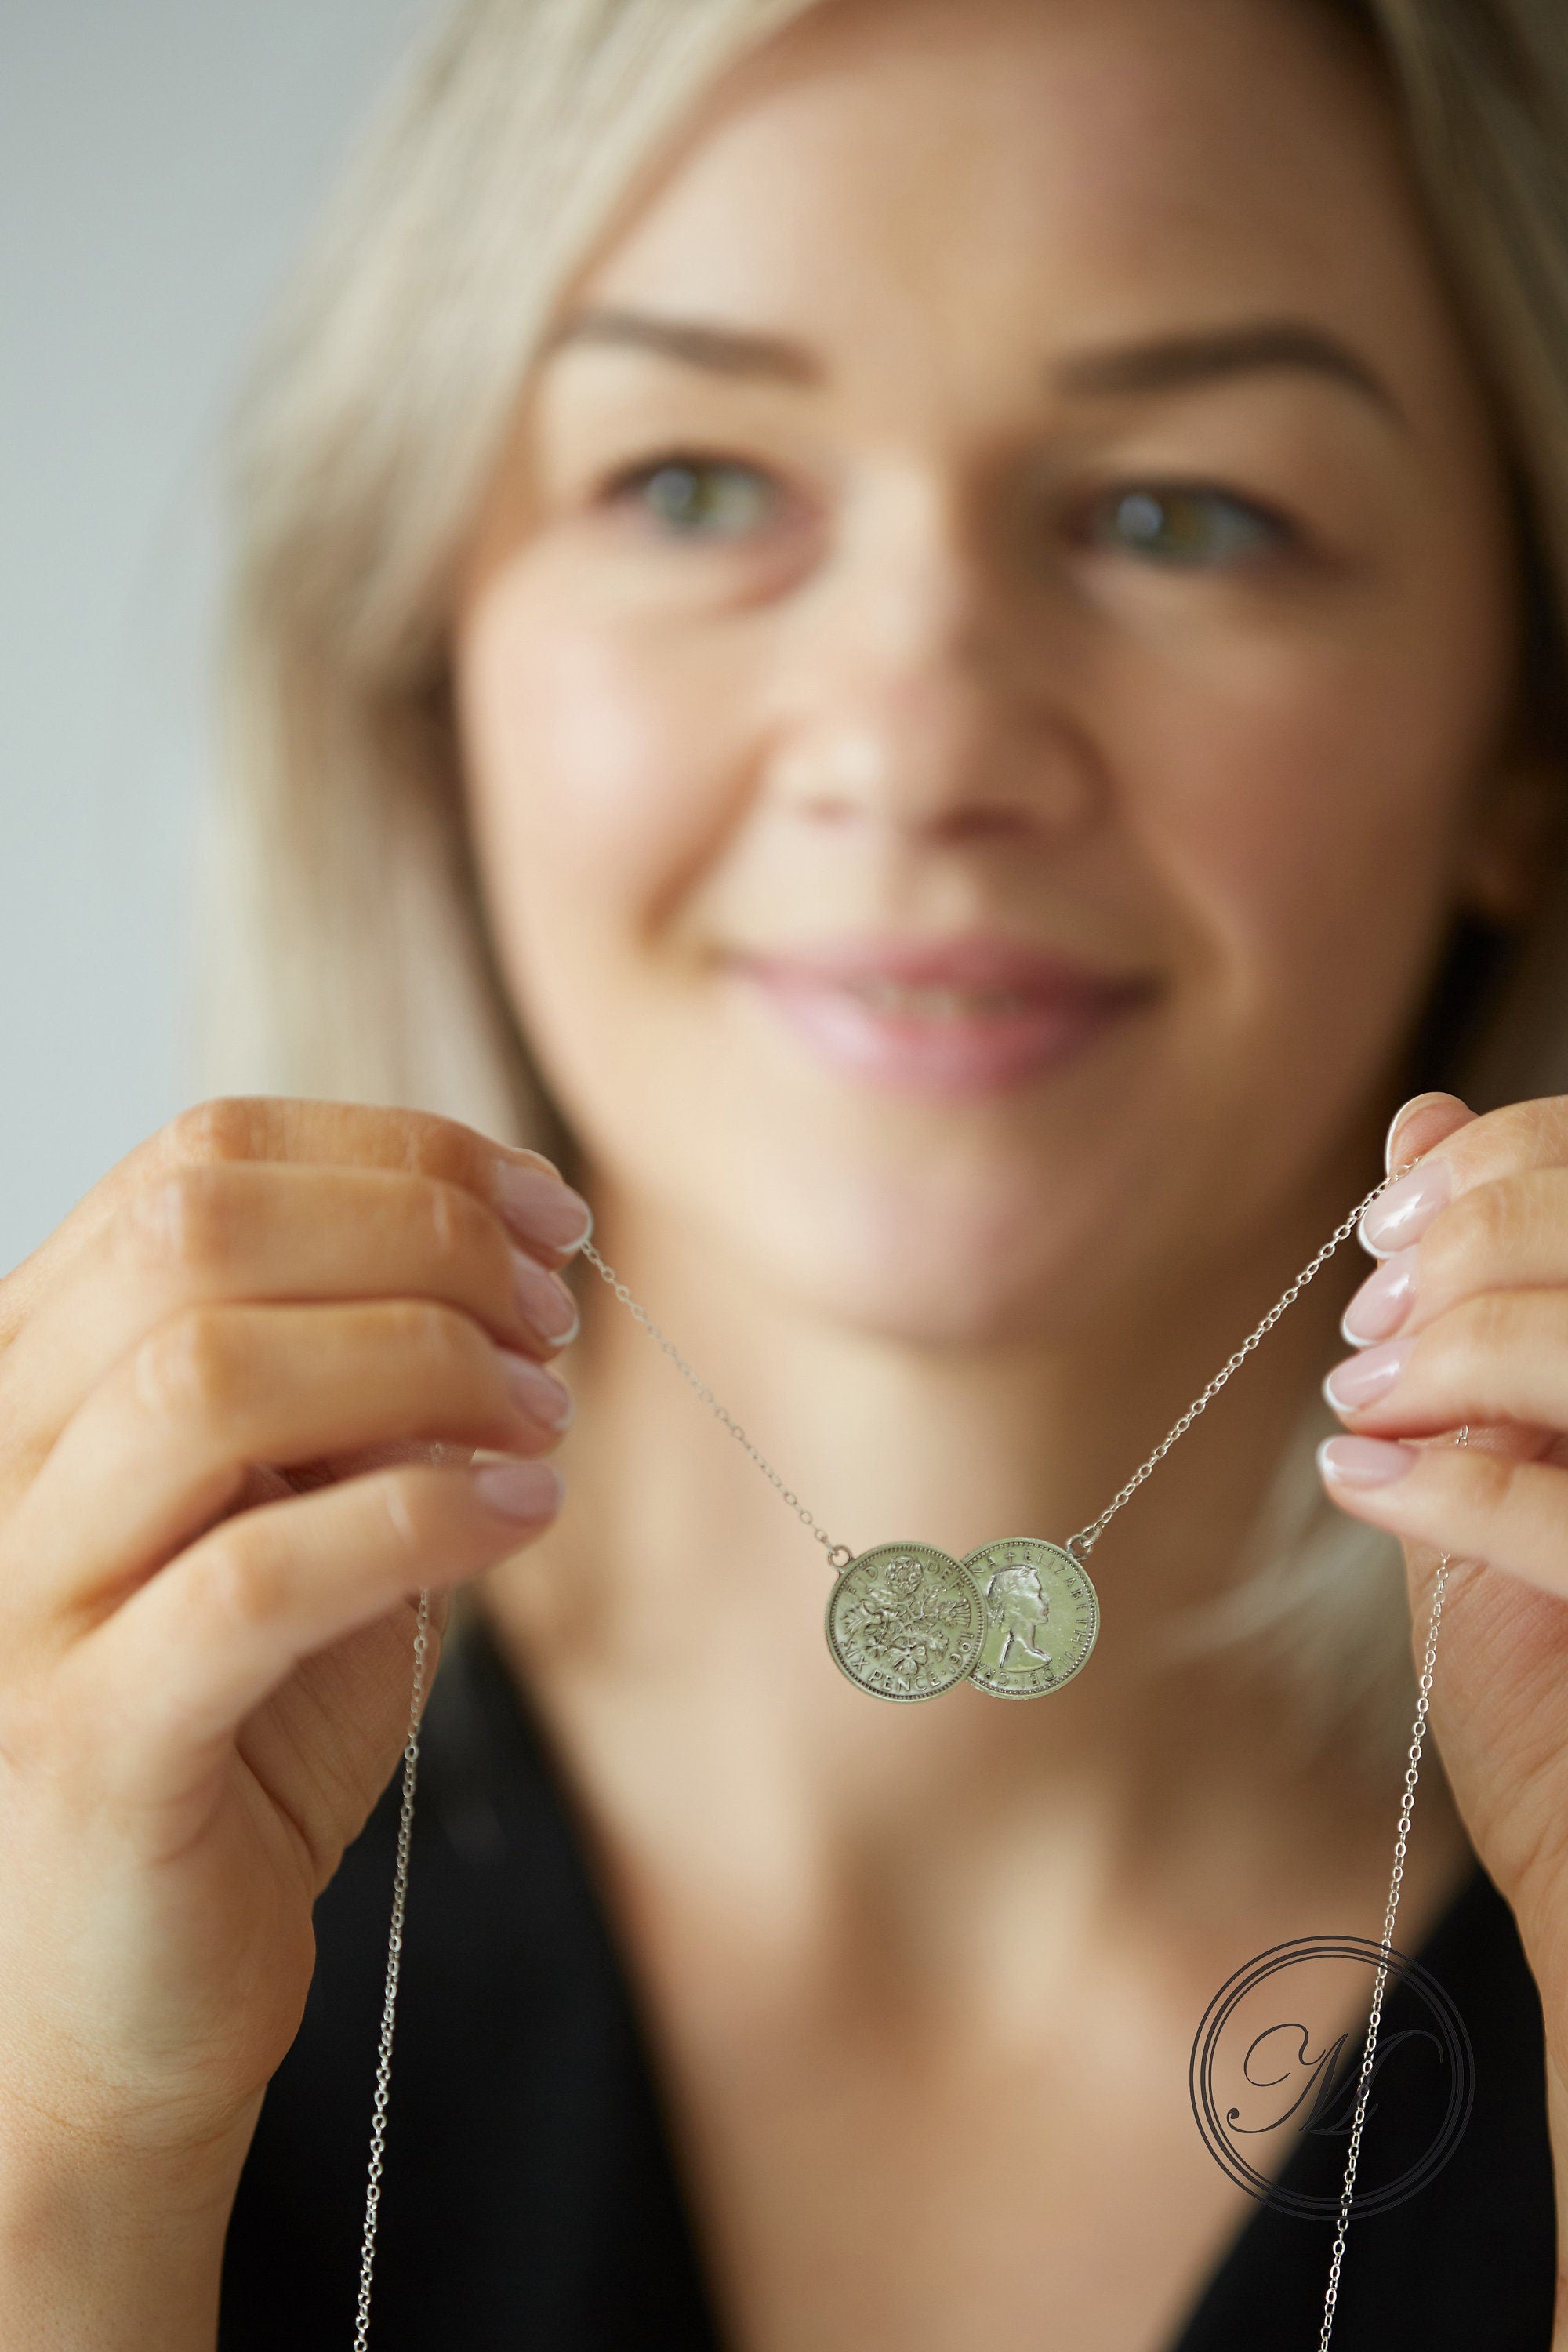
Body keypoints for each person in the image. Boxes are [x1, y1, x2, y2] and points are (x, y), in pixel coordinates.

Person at [3, 0, 1568, 2343]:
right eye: (699, 485)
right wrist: (56, 2193)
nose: (919, 742)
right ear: (430, 663)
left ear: (1521, 728)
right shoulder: (78, 1869)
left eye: (1179, 512)